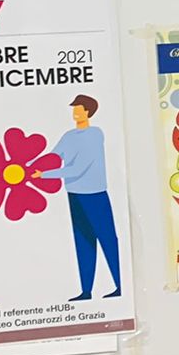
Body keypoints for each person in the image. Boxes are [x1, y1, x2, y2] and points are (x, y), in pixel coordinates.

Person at [50, 94, 122, 301]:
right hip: (74, 195)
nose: (75, 111)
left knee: (107, 240)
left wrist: (44, 174)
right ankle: (86, 291)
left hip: (95, 195)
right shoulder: (68, 136)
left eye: (79, 108)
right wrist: (26, 168)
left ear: (88, 111)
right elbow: (52, 157)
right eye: (74, 108)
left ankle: (120, 285)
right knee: (83, 242)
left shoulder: (95, 134)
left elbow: (78, 168)